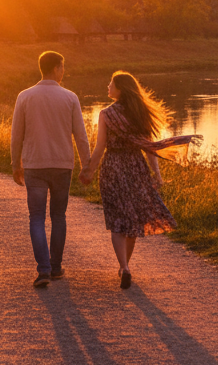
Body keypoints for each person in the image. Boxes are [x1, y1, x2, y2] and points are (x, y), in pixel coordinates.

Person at [81, 71, 200, 289]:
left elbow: (100, 148)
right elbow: (149, 148)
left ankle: (124, 267)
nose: (107, 86)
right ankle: (126, 266)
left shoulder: (106, 114)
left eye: (111, 83)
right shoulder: (139, 113)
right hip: (136, 167)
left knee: (116, 219)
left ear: (120, 89)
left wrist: (89, 170)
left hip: (112, 168)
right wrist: (157, 174)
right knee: (133, 220)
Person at [11, 51, 91, 288]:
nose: (64, 71)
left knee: (36, 217)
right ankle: (55, 268)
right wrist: (87, 165)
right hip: (62, 165)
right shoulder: (70, 97)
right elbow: (81, 136)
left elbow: (17, 136)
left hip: (35, 164)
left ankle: (43, 270)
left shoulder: (24, 96)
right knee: (58, 216)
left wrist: (16, 164)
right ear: (56, 68)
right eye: (63, 66)